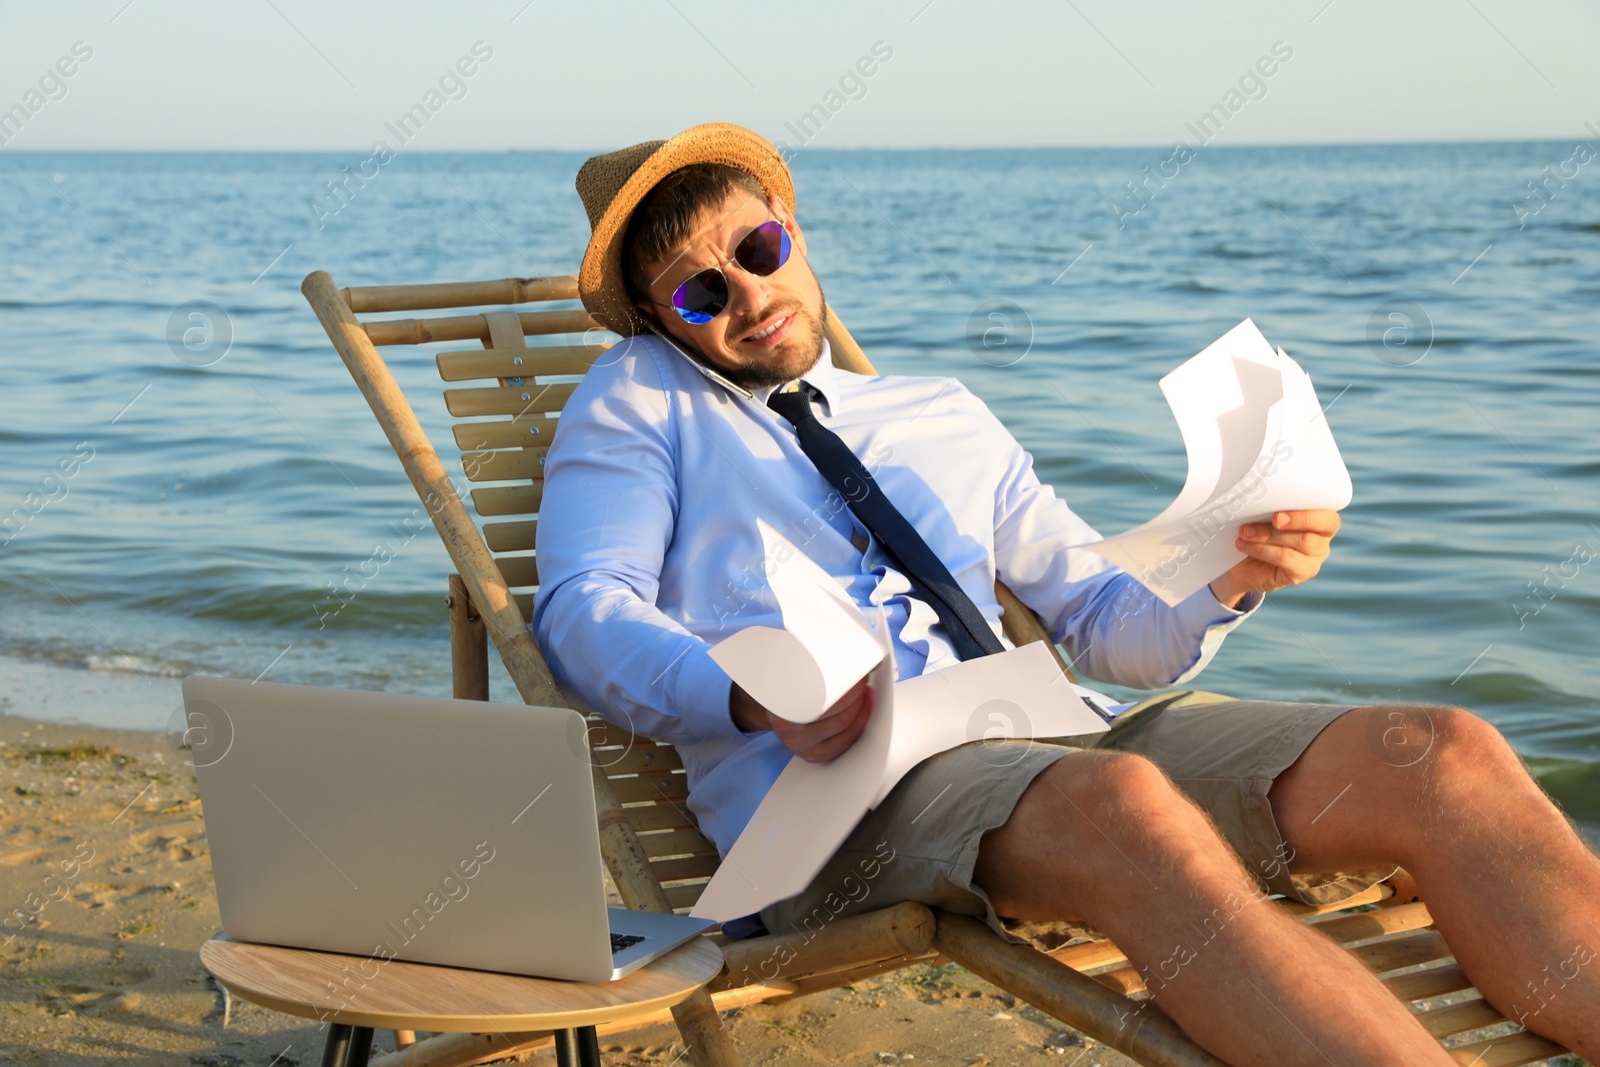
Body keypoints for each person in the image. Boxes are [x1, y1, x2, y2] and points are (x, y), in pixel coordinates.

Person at [531, 123, 1599, 1064]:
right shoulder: (639, 403)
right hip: (842, 810)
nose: (749, 297)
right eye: (697, 288)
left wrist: (1228, 574)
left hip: (1054, 745)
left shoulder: (934, 410)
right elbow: (583, 608)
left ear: (792, 230)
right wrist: (753, 694)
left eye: (759, 251)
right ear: (654, 320)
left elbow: (1100, 619)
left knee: (1440, 752)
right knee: (1119, 803)